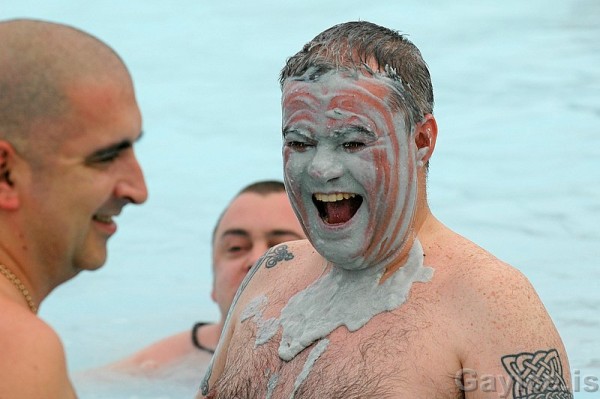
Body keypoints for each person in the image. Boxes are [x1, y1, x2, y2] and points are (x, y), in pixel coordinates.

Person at [200, 21, 573, 398]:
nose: (320, 169)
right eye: (299, 143)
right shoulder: (270, 274)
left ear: (422, 141)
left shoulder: (492, 304)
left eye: (352, 143)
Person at [0, 19, 147, 398]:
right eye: (105, 158)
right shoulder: (19, 351)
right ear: (5, 174)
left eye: (133, 148)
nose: (138, 190)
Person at [105, 180, 304, 377]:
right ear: (213, 284)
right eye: (236, 247)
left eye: (281, 247)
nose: (256, 260)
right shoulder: (152, 370)